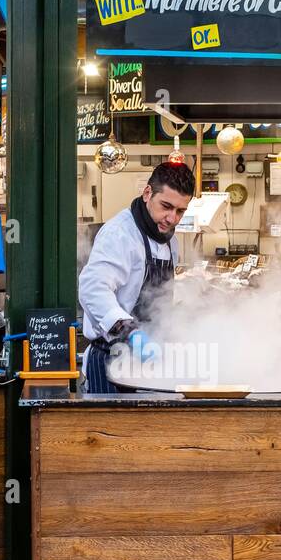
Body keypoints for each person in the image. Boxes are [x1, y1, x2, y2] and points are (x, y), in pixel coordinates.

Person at [78, 161, 194, 393]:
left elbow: (158, 297)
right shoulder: (119, 234)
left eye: (180, 211)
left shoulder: (169, 239)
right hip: (113, 359)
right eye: (166, 206)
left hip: (151, 360)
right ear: (147, 193)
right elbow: (92, 289)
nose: (172, 218)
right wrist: (130, 333)